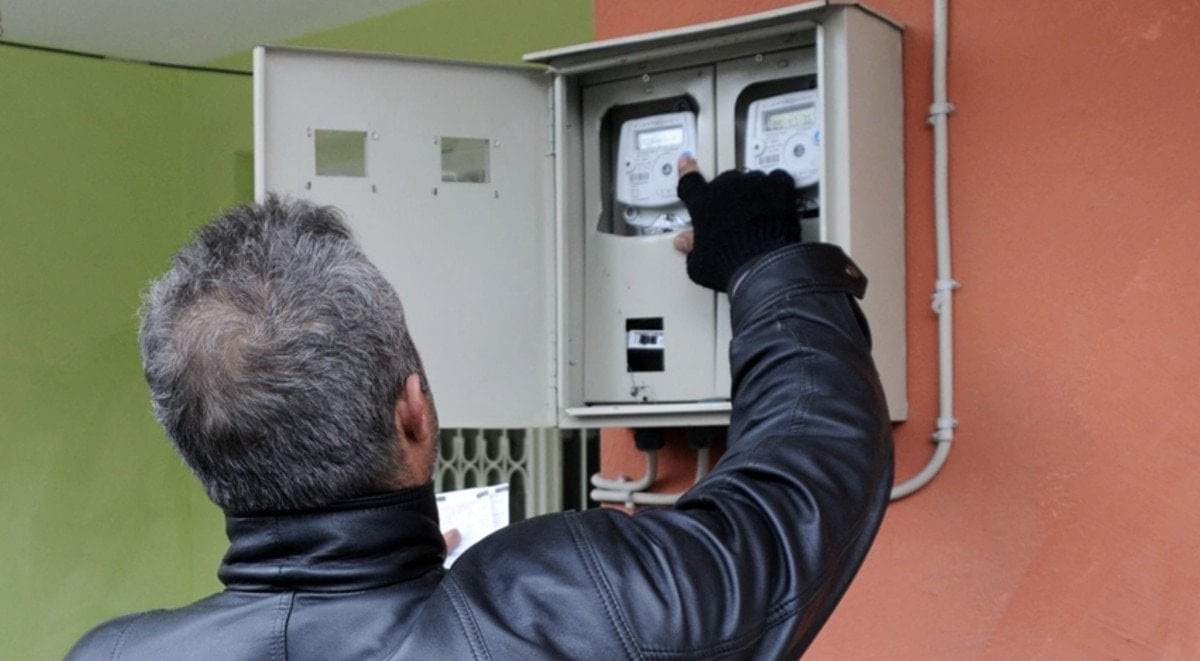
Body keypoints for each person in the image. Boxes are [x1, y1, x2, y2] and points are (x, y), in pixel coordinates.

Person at [68, 155, 893, 659]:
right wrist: (766, 266)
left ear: (202, 453)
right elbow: (794, 499)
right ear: (414, 414)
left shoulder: (112, 653)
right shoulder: (571, 604)